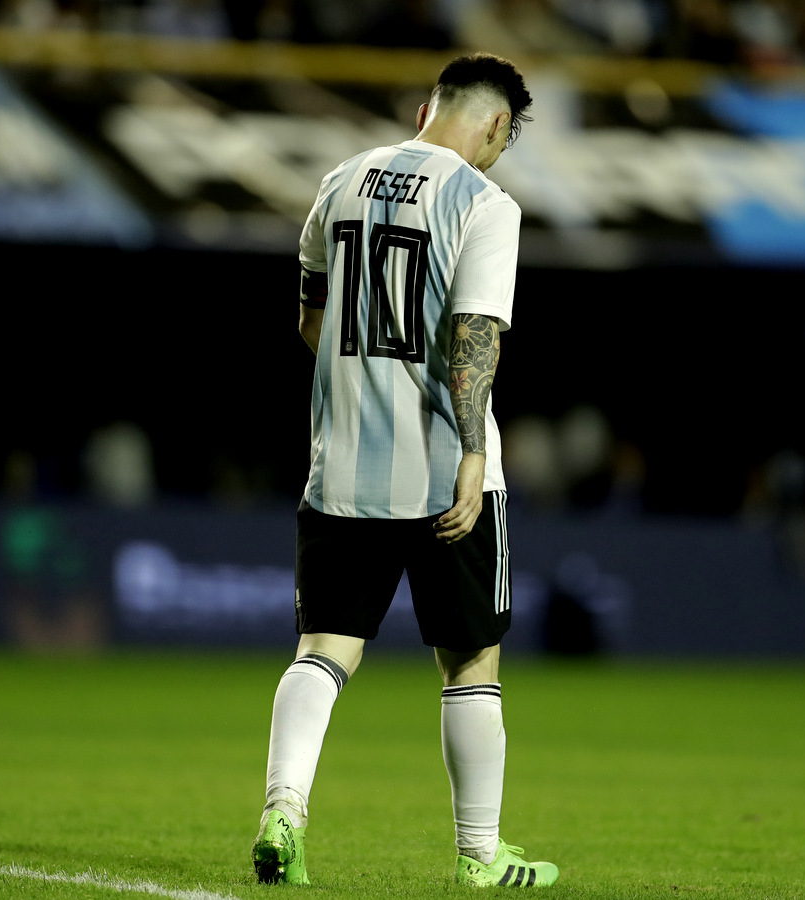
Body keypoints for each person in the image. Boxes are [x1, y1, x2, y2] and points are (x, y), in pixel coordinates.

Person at [252, 53, 558, 889]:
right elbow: (474, 339)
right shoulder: (487, 205)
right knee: (470, 663)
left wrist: (365, 384)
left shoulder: (340, 182)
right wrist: (470, 451)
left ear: (429, 106)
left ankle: (283, 812)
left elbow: (311, 320)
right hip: (440, 472)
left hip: (342, 463)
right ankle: (480, 855)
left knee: (323, 651)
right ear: (497, 126)